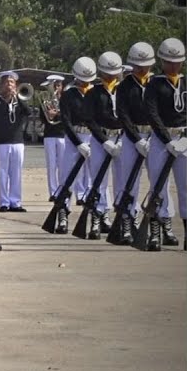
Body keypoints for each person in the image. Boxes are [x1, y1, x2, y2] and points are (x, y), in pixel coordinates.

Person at [144, 37, 186, 247]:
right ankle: (155, 232)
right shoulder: (155, 84)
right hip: (162, 141)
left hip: (185, 139)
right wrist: (167, 140)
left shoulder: (186, 82)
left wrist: (184, 138)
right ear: (162, 61)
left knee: (185, 187)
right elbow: (152, 113)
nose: (173, 65)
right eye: (169, 61)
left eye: (177, 61)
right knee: (158, 186)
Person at [112, 43, 156, 243]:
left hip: (156, 136)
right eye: (138, 65)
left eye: (145, 65)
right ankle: (127, 221)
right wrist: (137, 139)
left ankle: (160, 223)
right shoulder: (124, 86)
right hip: (132, 137)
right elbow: (123, 115)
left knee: (158, 183)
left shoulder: (155, 83)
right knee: (129, 183)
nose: (142, 69)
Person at [80, 53, 124, 236]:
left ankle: (124, 218)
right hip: (100, 140)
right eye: (108, 73)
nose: (111, 76)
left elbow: (129, 116)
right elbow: (89, 120)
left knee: (123, 181)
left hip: (122, 139)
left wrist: (123, 138)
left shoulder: (123, 90)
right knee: (99, 182)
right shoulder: (93, 92)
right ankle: (98, 216)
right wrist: (104, 141)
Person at [57, 58, 96, 232]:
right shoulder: (69, 93)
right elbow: (66, 121)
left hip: (94, 136)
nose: (85, 82)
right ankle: (63, 212)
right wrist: (78, 143)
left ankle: (98, 214)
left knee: (96, 179)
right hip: (75, 137)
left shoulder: (95, 92)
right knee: (67, 177)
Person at [0, 71, 30, 213]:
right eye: (7, 82)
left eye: (12, 82)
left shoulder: (19, 100)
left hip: (17, 141)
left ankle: (15, 202)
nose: (9, 85)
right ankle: (4, 203)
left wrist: (18, 99)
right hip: (2, 141)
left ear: (16, 85)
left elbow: (28, 112)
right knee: (3, 172)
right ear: (2, 85)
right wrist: (6, 101)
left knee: (16, 172)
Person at [39, 75, 67, 212]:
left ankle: (62, 190)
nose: (56, 87)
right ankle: (53, 192)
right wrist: (48, 115)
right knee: (51, 165)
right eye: (54, 85)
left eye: (58, 85)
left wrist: (57, 114)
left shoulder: (66, 100)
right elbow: (42, 117)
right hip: (49, 134)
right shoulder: (45, 100)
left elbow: (68, 116)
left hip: (62, 135)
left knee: (63, 165)